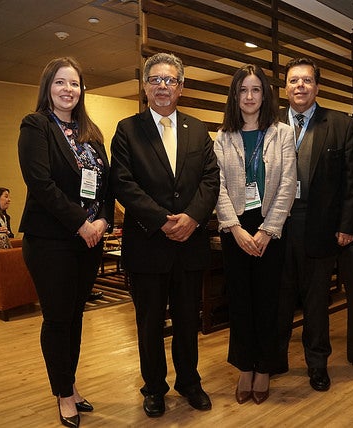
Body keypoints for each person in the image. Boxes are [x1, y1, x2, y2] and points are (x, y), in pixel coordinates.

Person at [109, 52, 219, 418]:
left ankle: (189, 381)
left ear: (181, 87)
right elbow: (123, 183)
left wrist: (192, 218)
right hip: (147, 244)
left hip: (190, 244)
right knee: (150, 323)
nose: (162, 86)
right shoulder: (127, 130)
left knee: (188, 321)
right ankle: (154, 387)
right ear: (144, 86)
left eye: (170, 80)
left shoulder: (198, 129)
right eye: (155, 79)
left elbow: (211, 180)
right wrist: (162, 220)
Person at [17, 57, 113, 428]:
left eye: (74, 83)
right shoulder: (36, 125)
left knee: (74, 318)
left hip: (88, 242)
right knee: (58, 319)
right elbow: (40, 184)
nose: (68, 90)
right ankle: (63, 394)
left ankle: (69, 384)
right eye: (60, 82)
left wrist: (103, 220)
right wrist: (81, 223)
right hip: (51, 241)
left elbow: (106, 185)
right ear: (48, 87)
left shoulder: (91, 133)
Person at [276, 57, 353, 392]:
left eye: (307, 80)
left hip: (320, 226)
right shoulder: (270, 123)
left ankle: (317, 364)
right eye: (294, 80)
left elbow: (351, 181)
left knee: (315, 302)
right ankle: (275, 359)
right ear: (285, 87)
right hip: (276, 226)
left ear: (317, 86)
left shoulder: (339, 123)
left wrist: (347, 225)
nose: (300, 86)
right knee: (278, 298)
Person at [214, 64, 296, 405]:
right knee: (240, 303)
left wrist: (267, 230)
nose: (249, 96)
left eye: (255, 89)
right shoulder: (223, 136)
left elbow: (288, 184)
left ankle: (264, 368)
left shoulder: (282, 133)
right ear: (235, 96)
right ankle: (244, 367)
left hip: (270, 229)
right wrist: (234, 228)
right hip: (235, 230)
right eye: (243, 90)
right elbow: (217, 186)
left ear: (265, 94)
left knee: (268, 302)